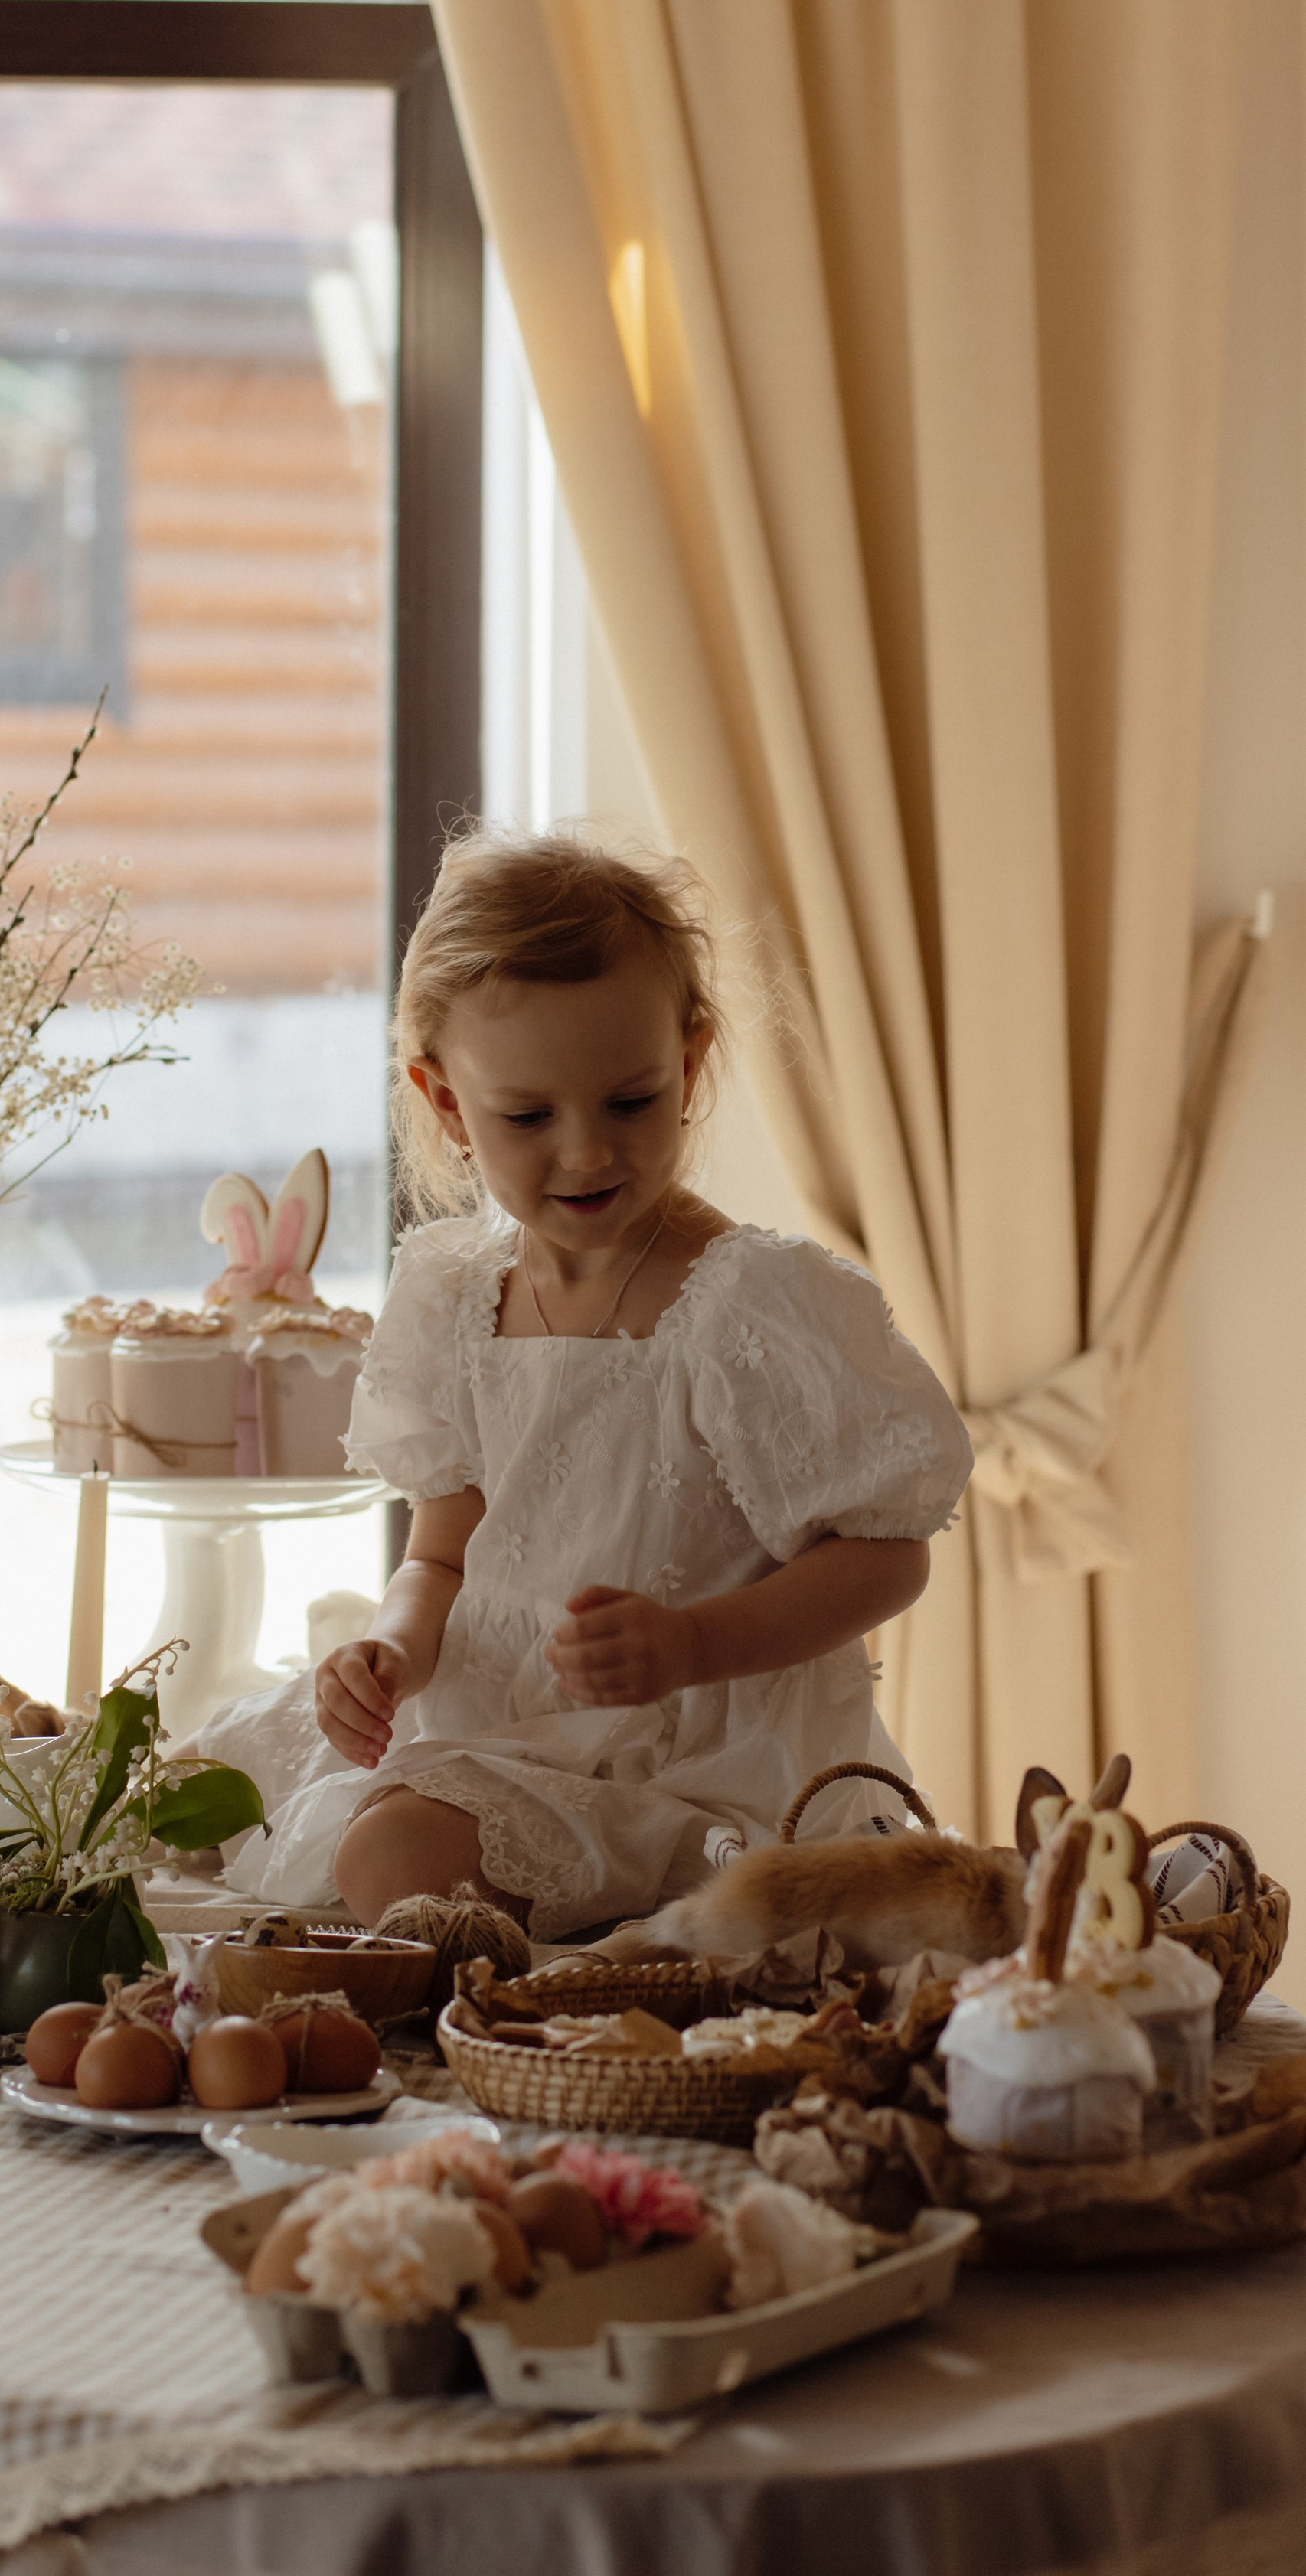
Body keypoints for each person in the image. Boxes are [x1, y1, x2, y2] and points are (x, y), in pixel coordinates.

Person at [198, 828, 973, 1939]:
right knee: (211, 1785)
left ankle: (634, 1920)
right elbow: (441, 1548)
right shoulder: (455, 1295)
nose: (586, 1154)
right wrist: (395, 1652)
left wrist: (692, 1643)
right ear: (448, 1103)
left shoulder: (748, 1302)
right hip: (498, 1730)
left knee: (392, 1855)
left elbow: (889, 1554)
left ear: (691, 1063)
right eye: (528, 1117)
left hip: (692, 1759)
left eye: (631, 1102)